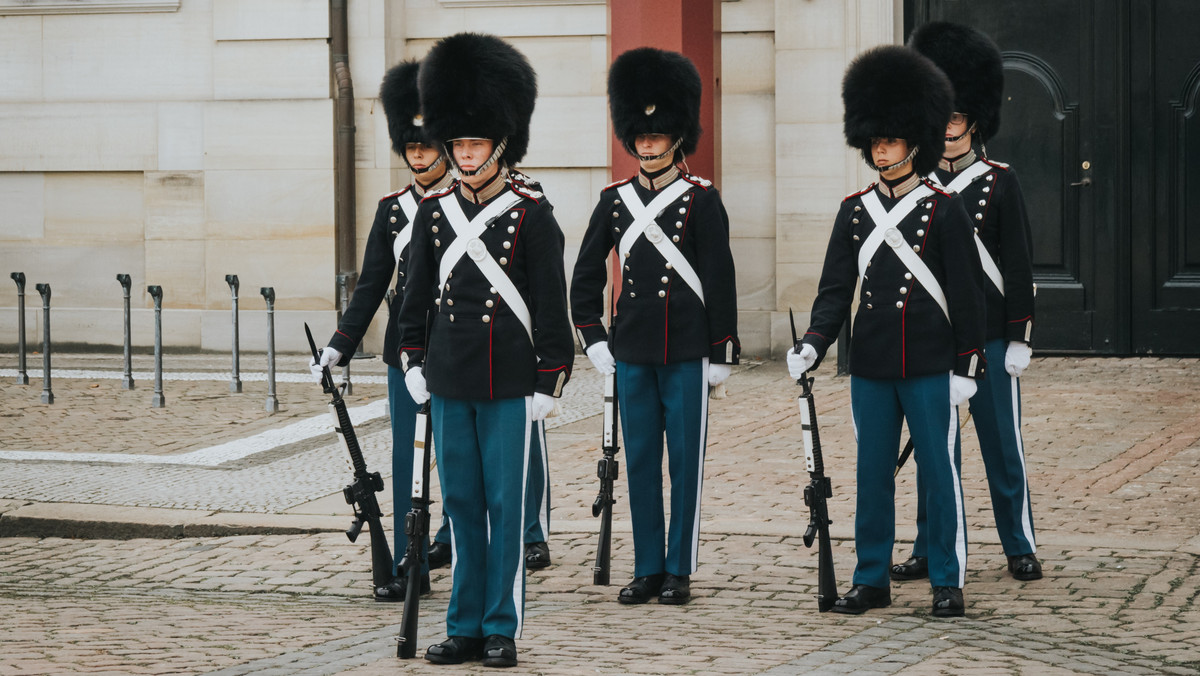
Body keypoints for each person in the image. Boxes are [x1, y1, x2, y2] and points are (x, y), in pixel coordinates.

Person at [787, 44, 986, 617]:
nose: (881, 148)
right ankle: (870, 577)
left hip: (928, 365)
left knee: (938, 474)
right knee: (872, 476)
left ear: (913, 141)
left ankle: (947, 579)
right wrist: (814, 345)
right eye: (875, 139)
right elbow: (834, 291)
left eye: (891, 139)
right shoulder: (854, 211)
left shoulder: (944, 209)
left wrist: (966, 368)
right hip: (871, 365)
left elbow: (968, 296)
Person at [396, 32, 573, 668]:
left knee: (503, 508)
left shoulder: (531, 214)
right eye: (459, 143)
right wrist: (412, 361)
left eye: (475, 143)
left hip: (507, 383)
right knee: (462, 505)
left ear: (500, 144)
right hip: (449, 379)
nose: (466, 155)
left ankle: (502, 626)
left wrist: (549, 383)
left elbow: (551, 308)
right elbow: (413, 298)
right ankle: (464, 624)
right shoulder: (435, 212)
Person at [571, 47, 739, 607]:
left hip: (687, 350)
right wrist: (593, 337)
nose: (646, 143)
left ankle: (679, 567)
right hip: (634, 351)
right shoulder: (614, 202)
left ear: (676, 135)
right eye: (639, 135)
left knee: (684, 465)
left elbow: (719, 277)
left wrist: (720, 351)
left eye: (657, 134)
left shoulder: (702, 199)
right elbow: (586, 273)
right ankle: (647, 566)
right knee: (640, 460)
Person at [892, 21, 1041, 583]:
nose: (948, 128)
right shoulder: (917, 189)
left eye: (956, 118)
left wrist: (1021, 335)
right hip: (939, 338)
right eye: (942, 117)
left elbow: (1020, 264)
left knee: (1002, 445)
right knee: (936, 456)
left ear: (973, 121)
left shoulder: (999, 181)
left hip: (995, 334)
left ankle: (1018, 542)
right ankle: (930, 547)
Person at [309, 59, 453, 601]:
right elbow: (371, 286)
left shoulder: (465, 204)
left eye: (425, 145)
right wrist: (339, 346)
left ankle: (456, 544)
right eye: (410, 147)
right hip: (404, 355)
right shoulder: (393, 209)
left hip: (458, 348)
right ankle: (409, 562)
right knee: (405, 459)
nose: (417, 155)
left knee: (458, 458)